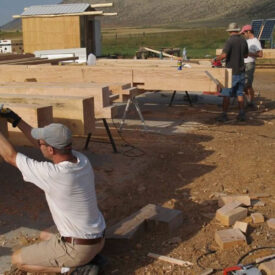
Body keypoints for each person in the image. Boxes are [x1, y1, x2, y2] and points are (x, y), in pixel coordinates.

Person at [0, 108, 106, 274]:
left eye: (42, 143)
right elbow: (45, 146)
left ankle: (73, 269)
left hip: (78, 249)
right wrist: (17, 120)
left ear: (50, 150)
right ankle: (89, 257)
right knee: (44, 235)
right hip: (98, 240)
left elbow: (10, 156)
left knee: (18, 260)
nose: (39, 144)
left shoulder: (55, 175)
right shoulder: (81, 160)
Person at [214, 22, 248, 122]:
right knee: (240, 93)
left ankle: (224, 115)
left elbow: (224, 55)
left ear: (229, 31)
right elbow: (246, 55)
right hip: (241, 71)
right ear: (237, 30)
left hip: (231, 72)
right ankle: (242, 114)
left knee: (226, 94)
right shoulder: (243, 40)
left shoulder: (230, 41)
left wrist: (215, 59)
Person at [240, 24, 263, 108]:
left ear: (248, 31)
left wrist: (248, 54)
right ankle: (248, 101)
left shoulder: (255, 41)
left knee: (248, 84)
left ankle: (250, 102)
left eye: (244, 33)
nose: (243, 35)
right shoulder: (247, 41)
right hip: (243, 63)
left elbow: (260, 54)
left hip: (249, 63)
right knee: (244, 83)